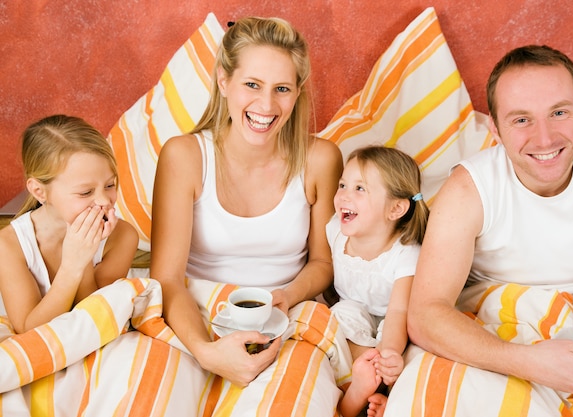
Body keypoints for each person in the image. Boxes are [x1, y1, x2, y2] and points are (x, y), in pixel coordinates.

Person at [385, 44, 573, 416]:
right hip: (485, 333)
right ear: (495, 129)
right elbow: (426, 314)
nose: (544, 139)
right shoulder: (469, 189)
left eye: (559, 112)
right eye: (521, 120)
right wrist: (530, 362)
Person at [150, 15, 344, 405]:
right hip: (194, 316)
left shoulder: (321, 159)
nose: (267, 105)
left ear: (298, 92)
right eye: (252, 85)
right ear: (224, 81)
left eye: (282, 89)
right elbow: (167, 280)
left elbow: (323, 264)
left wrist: (287, 297)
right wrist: (207, 351)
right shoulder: (185, 155)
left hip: (287, 317)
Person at [0, 114, 139, 334]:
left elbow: (94, 320)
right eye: (86, 192)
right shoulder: (9, 245)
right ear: (39, 191)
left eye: (110, 185)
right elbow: (29, 331)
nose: (104, 200)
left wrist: (83, 259)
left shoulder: (123, 236)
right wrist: (71, 265)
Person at [327, 145, 428, 417]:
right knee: (340, 315)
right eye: (342, 185)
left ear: (395, 208)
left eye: (360, 189)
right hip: (354, 320)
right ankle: (362, 390)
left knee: (405, 351)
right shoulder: (335, 231)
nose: (344, 196)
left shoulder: (406, 254)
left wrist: (389, 353)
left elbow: (398, 312)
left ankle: (371, 393)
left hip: (392, 326)